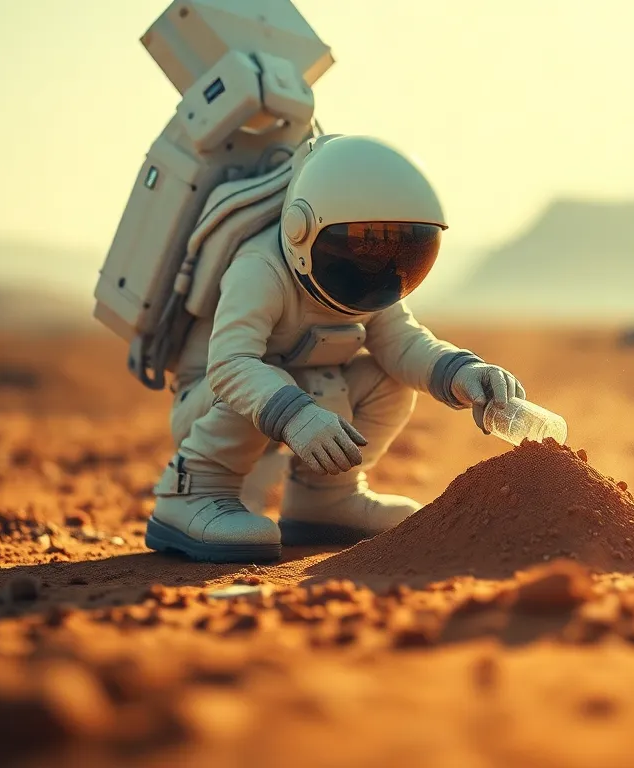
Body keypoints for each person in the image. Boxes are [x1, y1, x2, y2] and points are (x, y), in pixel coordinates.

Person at [145, 134, 524, 563]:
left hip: (299, 394)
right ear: (302, 230)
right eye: (363, 241)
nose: (378, 260)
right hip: (212, 401)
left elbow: (404, 344)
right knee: (262, 376)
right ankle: (192, 493)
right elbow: (231, 365)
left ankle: (325, 496)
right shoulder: (260, 269)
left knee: (390, 378)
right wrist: (296, 415)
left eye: (397, 246)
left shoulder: (368, 283)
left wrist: (460, 372)